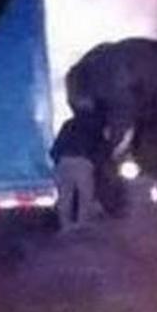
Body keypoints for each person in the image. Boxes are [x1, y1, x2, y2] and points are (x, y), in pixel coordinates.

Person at [51, 99, 106, 232]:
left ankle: (65, 225)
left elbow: (56, 147)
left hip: (64, 162)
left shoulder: (68, 124)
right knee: (85, 194)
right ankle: (82, 223)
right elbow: (100, 146)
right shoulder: (94, 125)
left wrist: (58, 160)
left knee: (65, 195)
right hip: (82, 162)